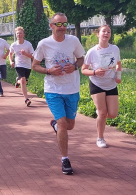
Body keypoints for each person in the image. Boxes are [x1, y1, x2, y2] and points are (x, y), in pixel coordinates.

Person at [32, 12, 85, 175]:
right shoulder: (44, 44)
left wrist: (75, 66)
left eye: (65, 24)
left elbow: (81, 59)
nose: (62, 27)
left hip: (72, 88)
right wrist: (48, 70)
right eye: (58, 24)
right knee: (63, 124)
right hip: (53, 89)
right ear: (51, 26)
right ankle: (65, 159)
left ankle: (55, 126)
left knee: (70, 125)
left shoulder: (73, 41)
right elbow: (34, 65)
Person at [81, 25, 122, 148]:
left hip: (111, 84)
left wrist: (118, 76)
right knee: (103, 113)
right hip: (96, 83)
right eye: (104, 31)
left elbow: (118, 64)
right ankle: (100, 138)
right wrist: (94, 72)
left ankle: (100, 114)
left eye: (109, 32)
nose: (106, 33)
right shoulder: (92, 52)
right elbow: (83, 70)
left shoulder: (115, 49)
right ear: (98, 34)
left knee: (113, 114)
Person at [9, 27, 34, 106]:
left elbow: (33, 56)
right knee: (23, 80)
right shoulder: (14, 44)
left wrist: (25, 54)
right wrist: (11, 61)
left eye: (20, 33)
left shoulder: (28, 44)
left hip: (27, 65)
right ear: (16, 35)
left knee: (24, 82)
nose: (19, 35)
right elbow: (10, 54)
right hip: (19, 65)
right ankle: (26, 99)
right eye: (17, 33)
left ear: (23, 35)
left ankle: (18, 81)